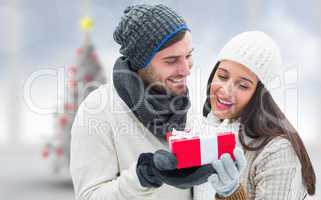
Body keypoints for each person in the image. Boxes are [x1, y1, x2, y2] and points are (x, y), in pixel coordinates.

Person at [70, 4, 215, 200]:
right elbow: (89, 196)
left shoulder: (186, 107)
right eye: (171, 60)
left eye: (188, 56)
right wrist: (142, 178)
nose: (186, 69)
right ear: (141, 63)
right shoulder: (98, 111)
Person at [194, 31, 316, 200]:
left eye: (243, 86)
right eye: (222, 76)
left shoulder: (278, 152)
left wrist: (231, 193)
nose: (225, 90)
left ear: (260, 95)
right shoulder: (203, 132)